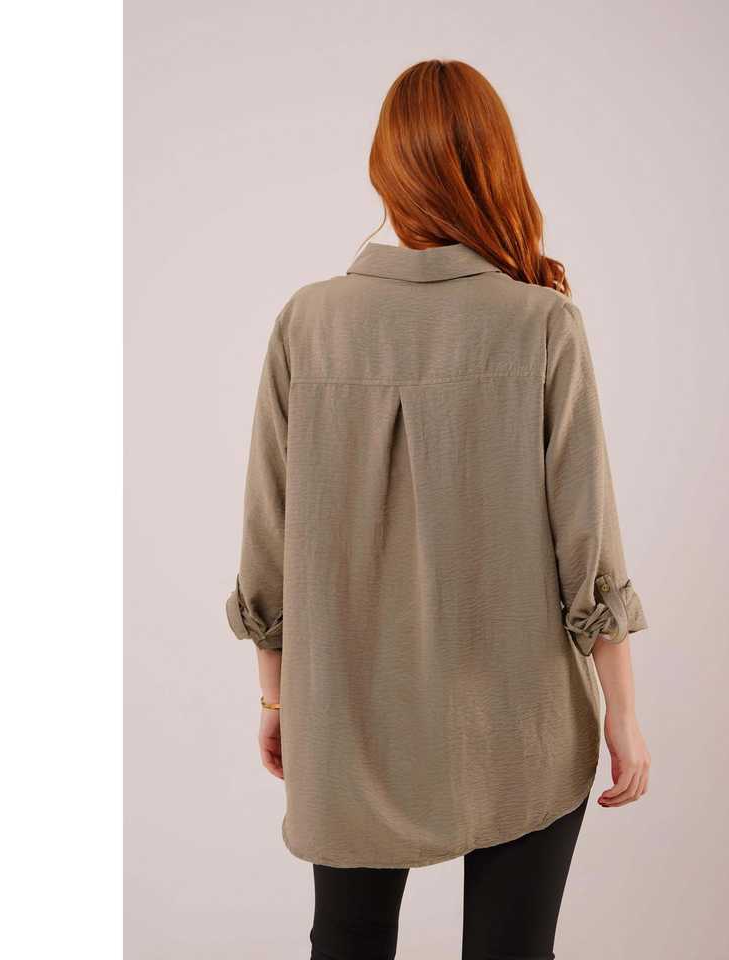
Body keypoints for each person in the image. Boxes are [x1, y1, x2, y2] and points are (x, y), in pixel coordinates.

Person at [226, 59, 650, 960]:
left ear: (386, 169)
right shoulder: (541, 323)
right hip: (521, 724)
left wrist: (275, 696)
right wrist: (621, 711)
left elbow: (266, 535)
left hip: (345, 718)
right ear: (493, 166)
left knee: (347, 942)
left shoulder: (308, 323)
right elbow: (589, 540)